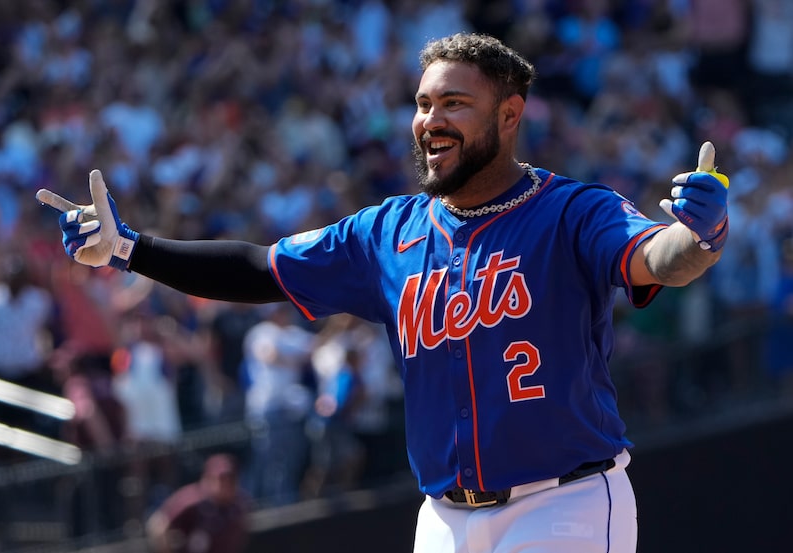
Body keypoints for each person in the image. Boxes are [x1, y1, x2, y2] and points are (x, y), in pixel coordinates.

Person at [38, 32, 729, 553]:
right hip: (446, 518)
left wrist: (699, 235)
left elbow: (656, 260)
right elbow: (258, 269)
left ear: (509, 115)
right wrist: (130, 249)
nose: (431, 120)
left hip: (563, 504)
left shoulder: (571, 210)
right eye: (424, 104)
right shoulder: (387, 232)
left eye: (455, 103)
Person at [145, 453, 250, 553]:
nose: (227, 485)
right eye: (222, 480)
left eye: (231, 480)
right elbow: (157, 525)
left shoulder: (239, 503)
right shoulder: (192, 499)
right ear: (209, 478)